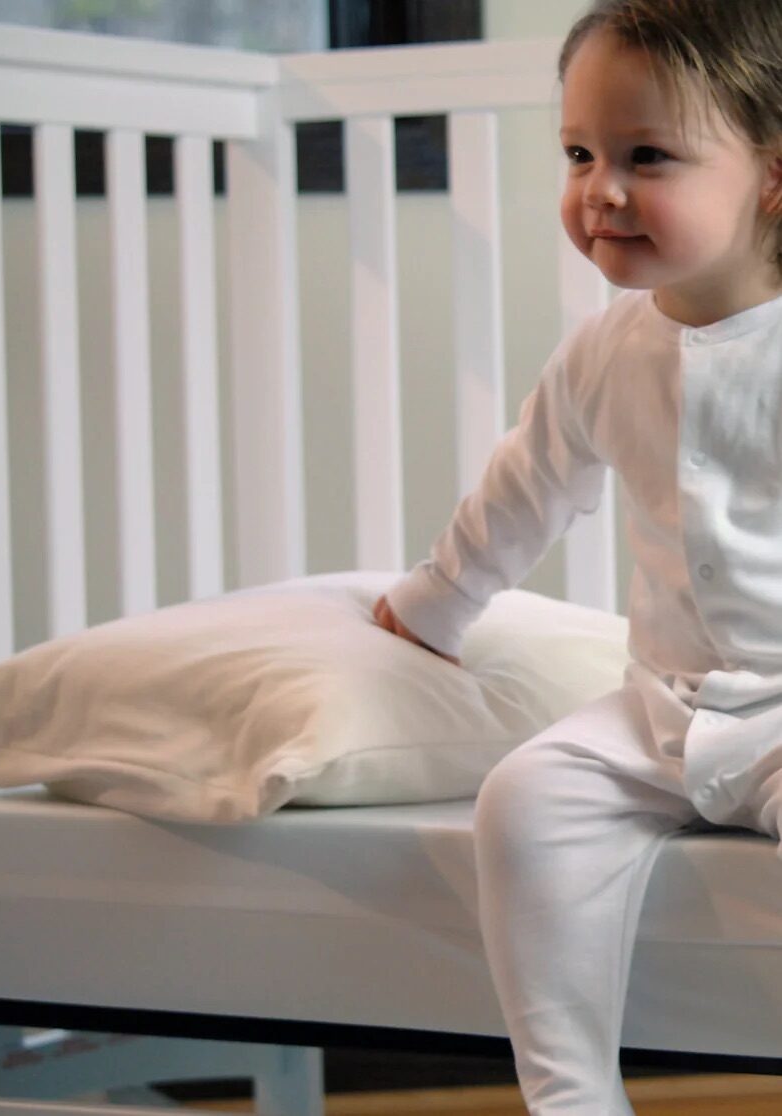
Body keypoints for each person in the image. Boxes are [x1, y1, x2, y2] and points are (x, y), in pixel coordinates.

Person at [373, 0, 782, 1112]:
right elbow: (527, 484)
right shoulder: (607, 350)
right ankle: (572, 1096)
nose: (599, 189)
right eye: (578, 153)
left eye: (647, 156)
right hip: (662, 711)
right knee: (525, 799)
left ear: (773, 179)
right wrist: (437, 603)